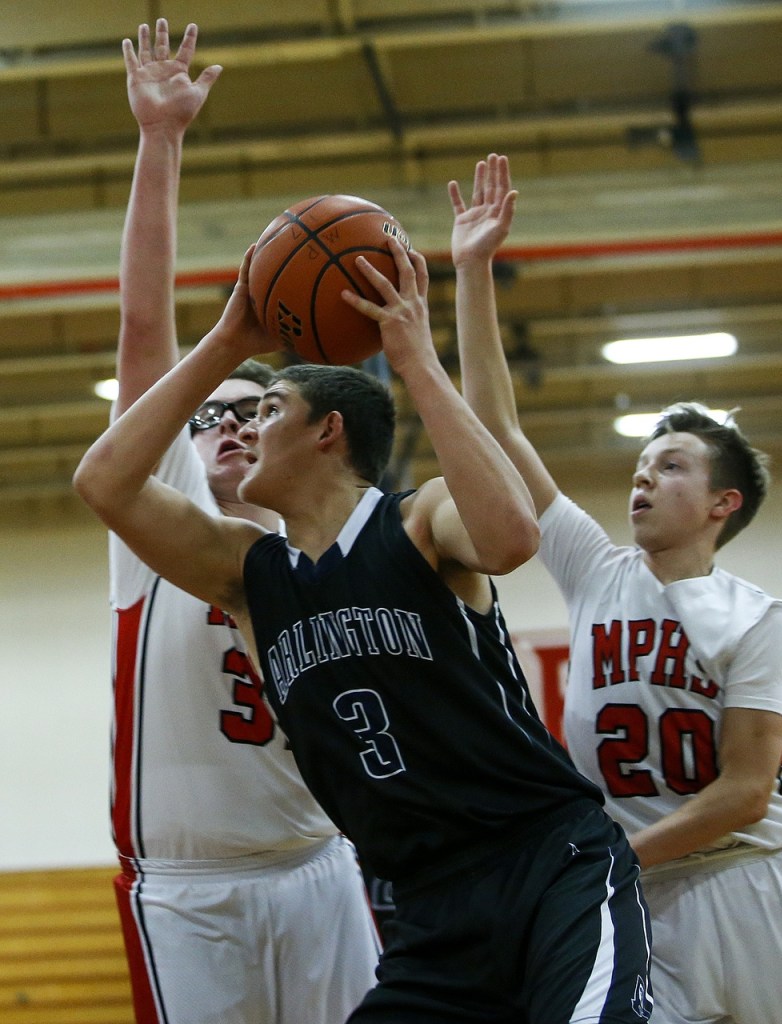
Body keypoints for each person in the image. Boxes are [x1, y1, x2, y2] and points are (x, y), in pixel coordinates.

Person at [74, 179, 655, 1022]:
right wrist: (230, 336)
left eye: (267, 408)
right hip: (425, 911)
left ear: (328, 432)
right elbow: (103, 480)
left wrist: (416, 357)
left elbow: (511, 538)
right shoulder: (251, 574)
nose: (243, 429)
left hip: (548, 865)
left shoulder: (418, 523)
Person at [451, 152, 782, 1024]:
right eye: (639, 467)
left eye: (669, 466)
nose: (642, 480)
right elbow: (495, 427)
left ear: (723, 502)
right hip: (633, 895)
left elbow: (747, 791)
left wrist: (620, 853)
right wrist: (474, 270)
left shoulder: (759, 620)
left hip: (747, 880)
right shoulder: (596, 571)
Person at [106, 19, 380, 1024]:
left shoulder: (328, 543)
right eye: (213, 413)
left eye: (257, 412)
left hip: (320, 865)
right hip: (189, 886)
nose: (230, 425)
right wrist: (161, 142)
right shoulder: (152, 523)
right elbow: (145, 338)